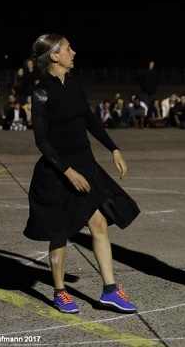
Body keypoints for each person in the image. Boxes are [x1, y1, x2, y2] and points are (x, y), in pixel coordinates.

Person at [23, 33, 140, 314]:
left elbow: (88, 119)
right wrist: (67, 171)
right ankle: (60, 292)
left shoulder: (73, 83)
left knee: (98, 224)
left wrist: (113, 148)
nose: (73, 52)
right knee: (60, 231)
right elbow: (42, 140)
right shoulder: (41, 91)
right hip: (59, 171)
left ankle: (110, 291)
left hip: (85, 164)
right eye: (68, 48)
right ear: (54, 56)